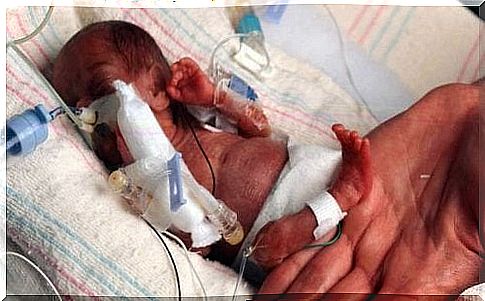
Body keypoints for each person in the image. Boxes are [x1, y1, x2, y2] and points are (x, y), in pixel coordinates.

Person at [52, 20, 482, 298]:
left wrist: (218, 98)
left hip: (309, 170)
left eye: (102, 89)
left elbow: (259, 128)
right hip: (271, 236)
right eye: (77, 106)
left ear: (161, 91)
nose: (91, 114)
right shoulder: (149, 179)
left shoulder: (200, 126)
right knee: (274, 245)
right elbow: (192, 233)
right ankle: (338, 197)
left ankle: (342, 192)